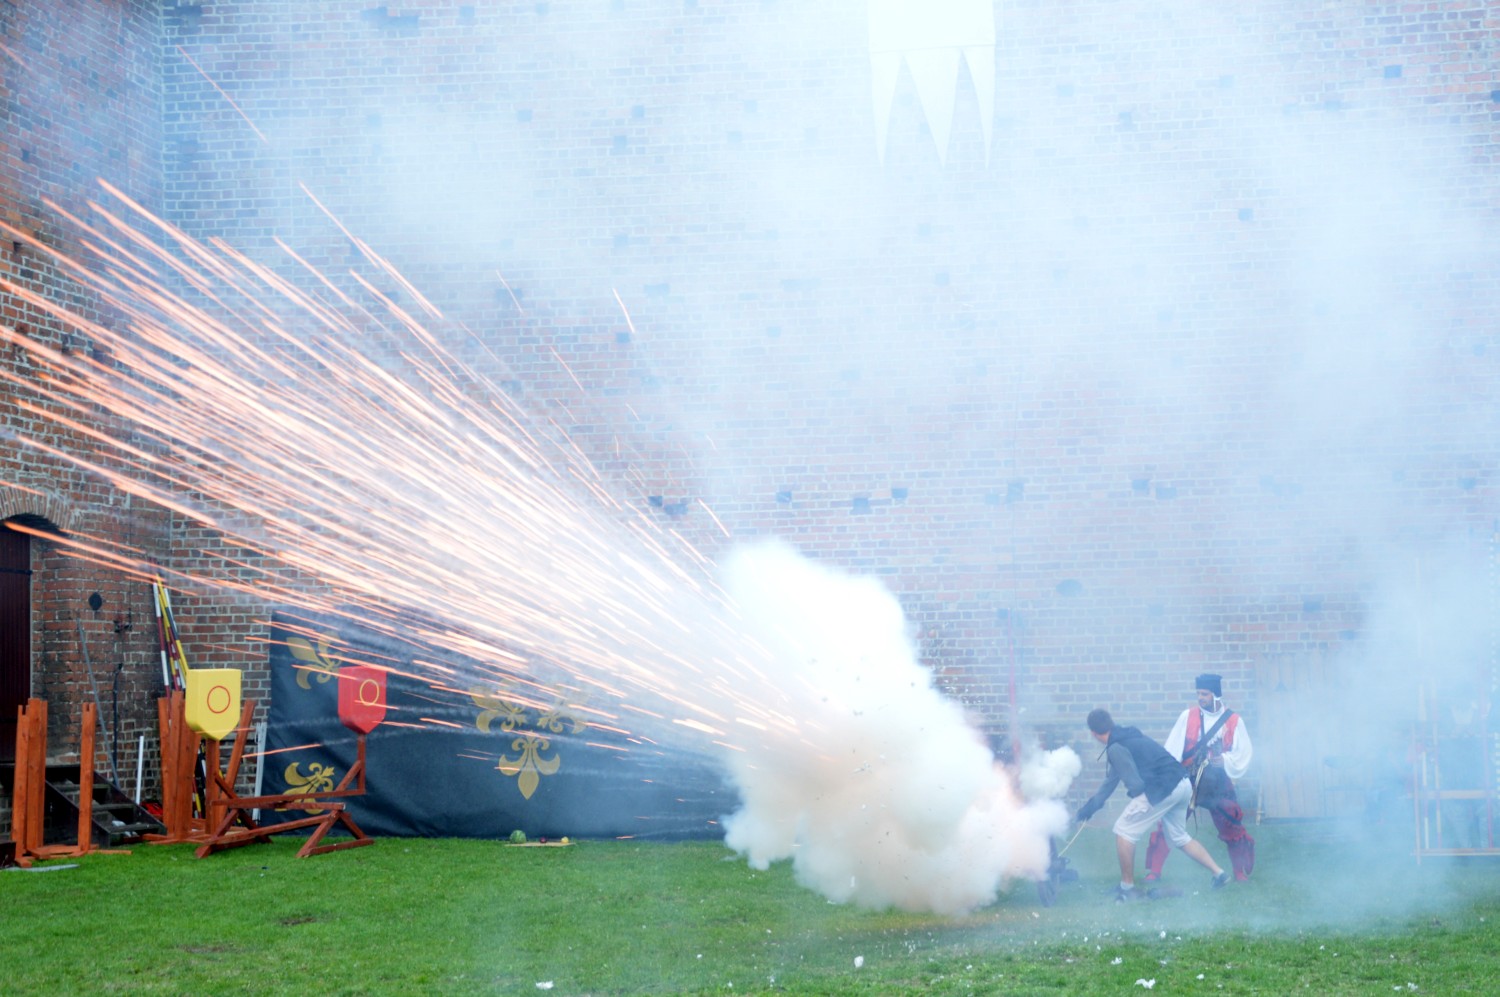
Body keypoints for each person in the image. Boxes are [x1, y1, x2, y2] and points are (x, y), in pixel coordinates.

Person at [1075, 707, 1231, 902]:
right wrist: (1088, 809)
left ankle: (1128, 888)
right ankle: (1219, 874)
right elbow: (1110, 783)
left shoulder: (1116, 747)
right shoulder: (1126, 739)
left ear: (1093, 733)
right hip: (1182, 784)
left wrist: (1136, 796)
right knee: (1179, 836)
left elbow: (1136, 785)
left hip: (1163, 788)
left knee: (1124, 831)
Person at [1144, 673, 1255, 882]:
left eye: (1204, 694)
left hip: (1219, 783)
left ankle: (1239, 872)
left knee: (1232, 823)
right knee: (1168, 823)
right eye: (1198, 693)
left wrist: (1225, 760)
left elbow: (1244, 752)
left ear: (1216, 695)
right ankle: (1155, 871)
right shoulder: (1188, 716)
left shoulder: (1234, 721)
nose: (1200, 698)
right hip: (1188, 779)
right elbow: (1172, 749)